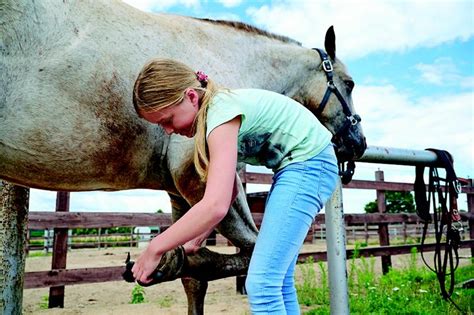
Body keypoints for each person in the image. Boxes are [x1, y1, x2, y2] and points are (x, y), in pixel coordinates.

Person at [131, 58, 338, 314]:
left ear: (191, 97)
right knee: (277, 281)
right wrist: (195, 240)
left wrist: (156, 247)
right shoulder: (216, 115)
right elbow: (226, 191)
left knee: (262, 284)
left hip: (308, 165)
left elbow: (215, 206)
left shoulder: (221, 115)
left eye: (168, 119)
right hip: (302, 166)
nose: (168, 131)